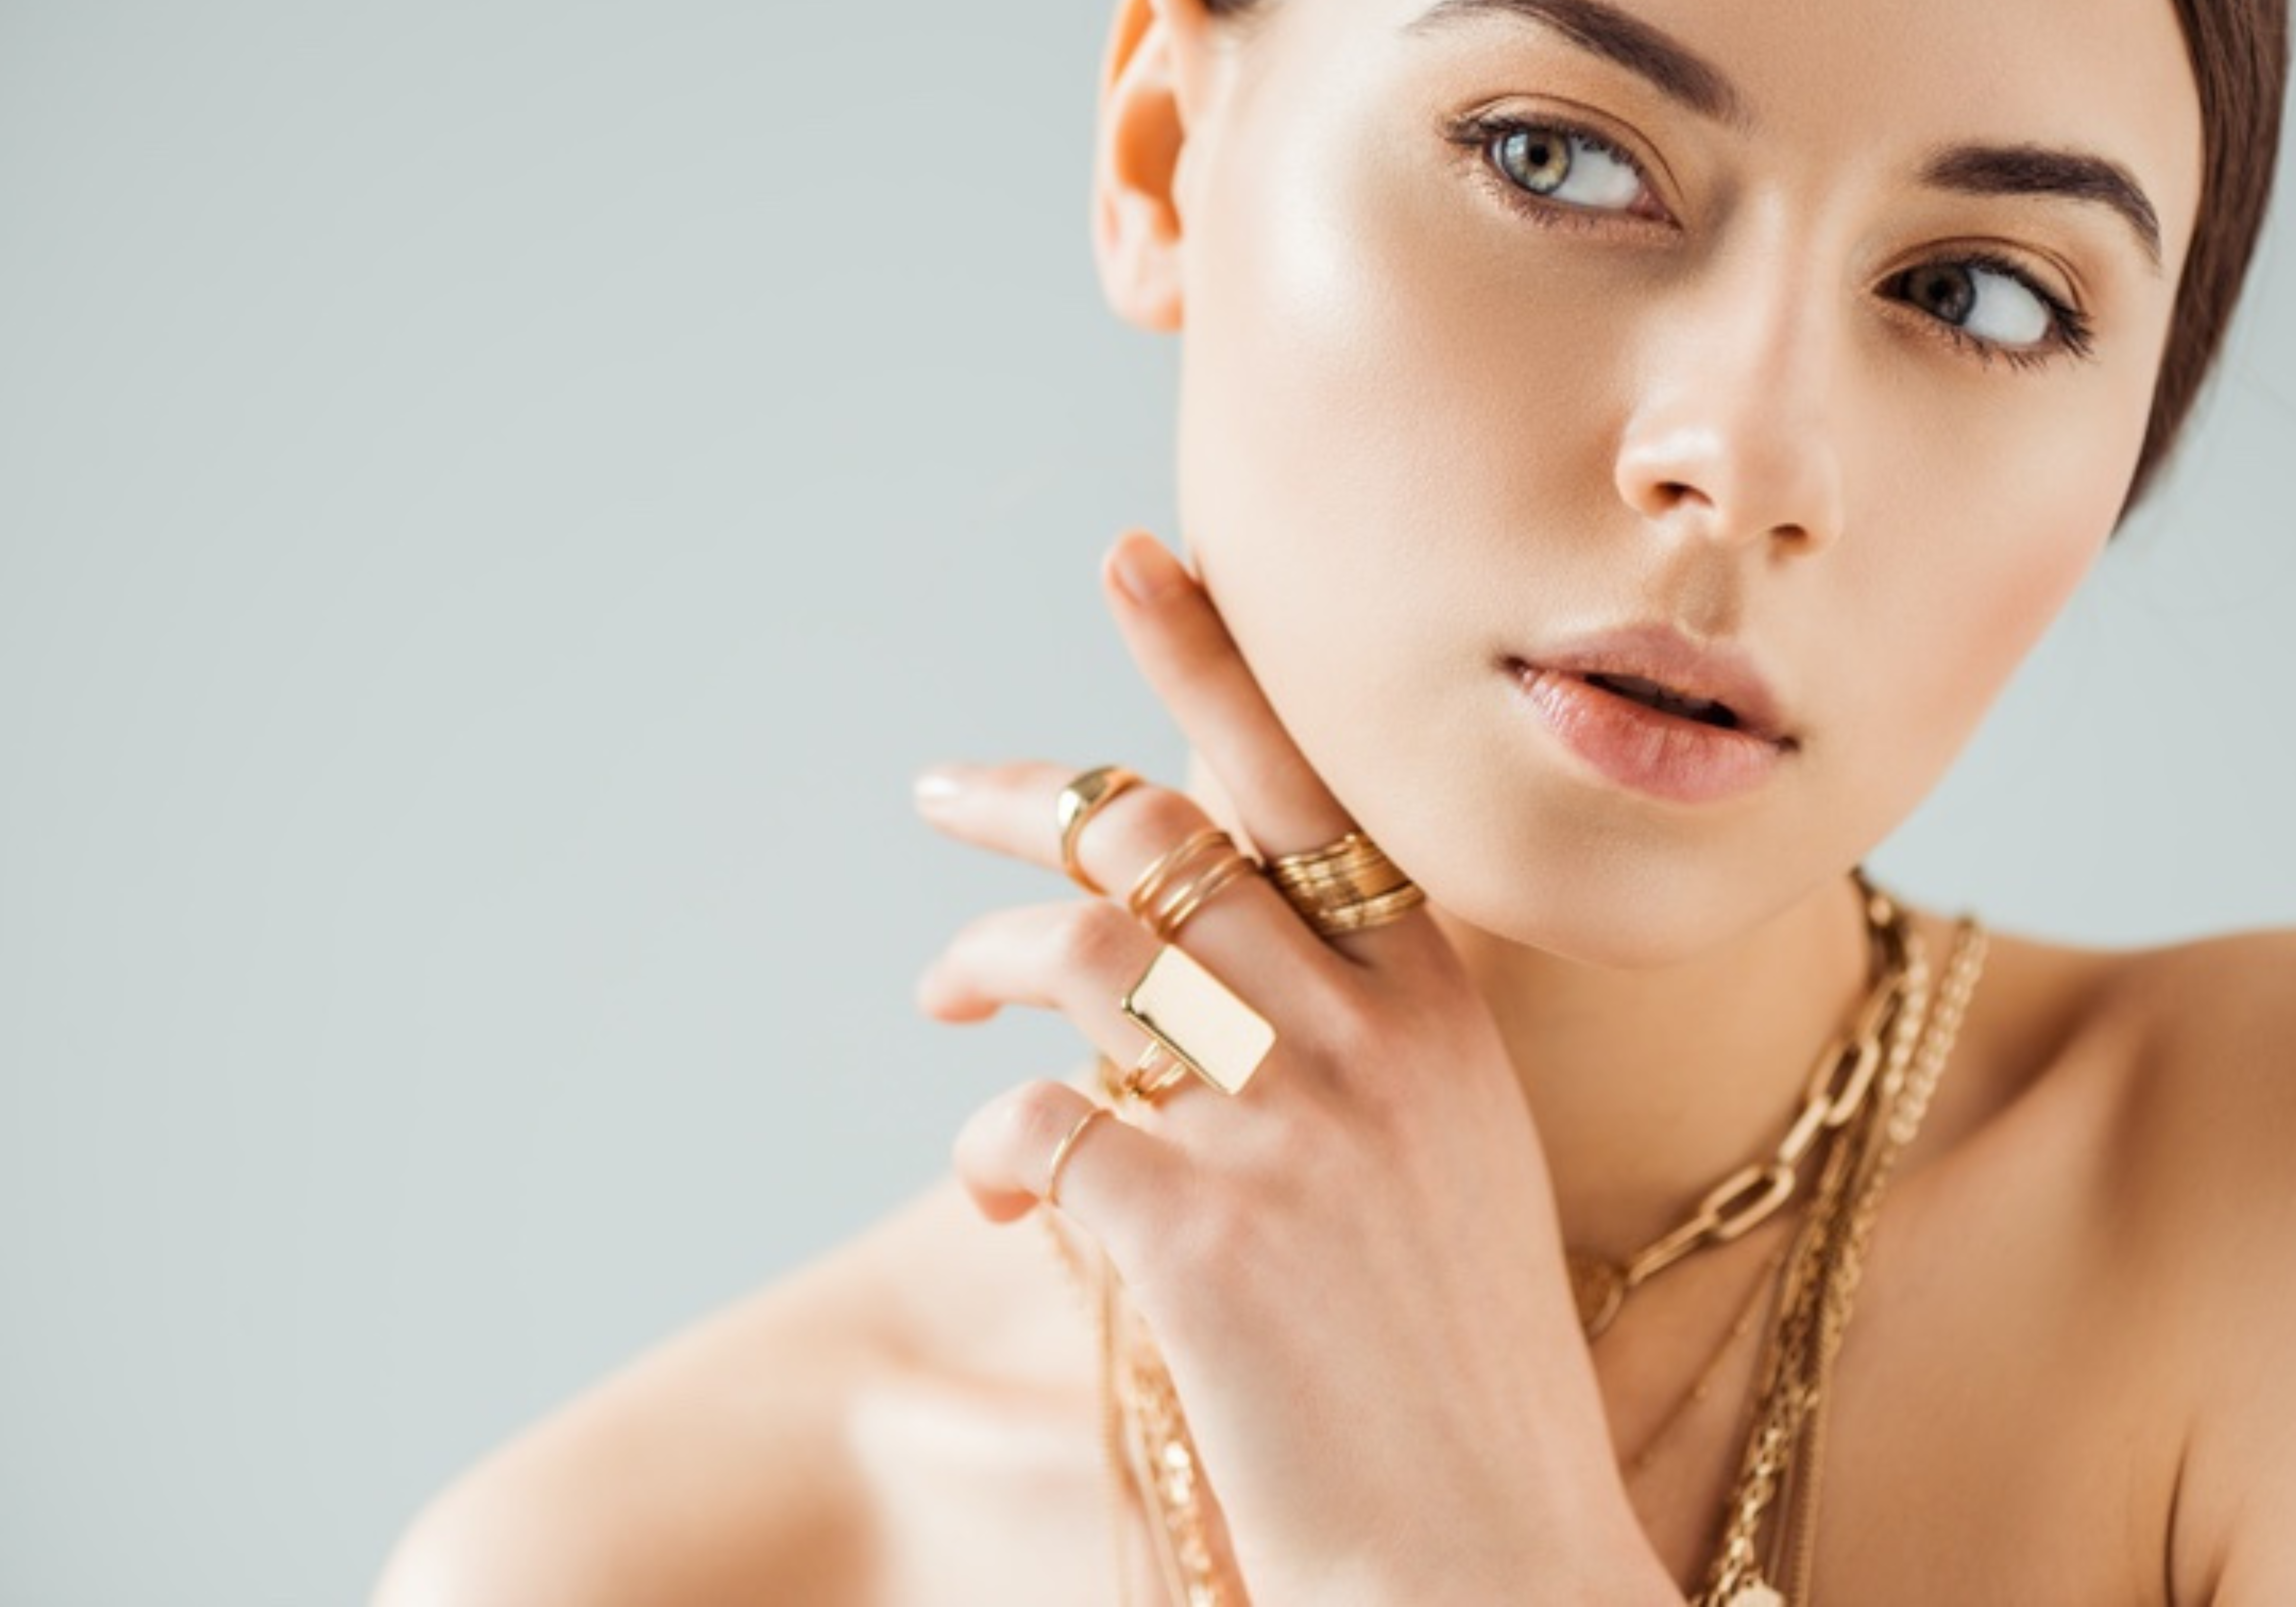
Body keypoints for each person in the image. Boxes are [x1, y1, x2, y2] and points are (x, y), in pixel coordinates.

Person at [372, 0, 2293, 1600]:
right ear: (1160, 155)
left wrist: (1480, 1554)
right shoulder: (649, 1567)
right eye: (1557, 157)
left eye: (1980, 293)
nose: (1747, 457)